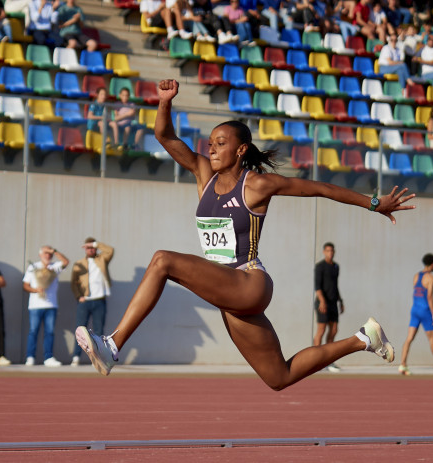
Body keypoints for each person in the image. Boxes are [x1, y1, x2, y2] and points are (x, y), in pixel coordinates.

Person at [75, 79, 415, 388]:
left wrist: (375, 203)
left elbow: (320, 188)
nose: (212, 149)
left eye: (221, 143)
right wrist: (164, 102)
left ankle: (112, 344)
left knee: (163, 261)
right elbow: (165, 137)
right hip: (227, 290)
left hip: (248, 282)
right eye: (210, 143)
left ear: (240, 150)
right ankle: (364, 338)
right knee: (278, 376)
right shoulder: (203, 174)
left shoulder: (256, 185)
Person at [399, 254, 433, 376]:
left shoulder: (416, 276)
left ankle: (402, 364)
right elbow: (429, 296)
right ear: (432, 264)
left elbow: (419, 295)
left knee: (409, 339)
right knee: (432, 340)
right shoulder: (431, 278)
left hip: (414, 310)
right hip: (425, 312)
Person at [70, 238, 114, 367]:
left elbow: (110, 250)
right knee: (80, 330)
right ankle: (76, 356)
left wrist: (96, 244)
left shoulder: (102, 260)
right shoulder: (79, 263)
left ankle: (98, 358)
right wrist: (79, 296)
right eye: (88, 247)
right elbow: (74, 282)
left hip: (99, 300)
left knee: (99, 331)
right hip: (84, 302)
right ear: (85, 249)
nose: (91, 249)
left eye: (93, 247)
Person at [22, 245, 68, 367]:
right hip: (35, 306)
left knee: (50, 332)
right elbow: (25, 285)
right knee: (33, 331)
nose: (48, 255)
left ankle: (48, 357)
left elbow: (65, 262)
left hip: (51, 305)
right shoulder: (33, 267)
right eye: (45, 253)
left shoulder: (55, 267)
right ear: (40, 254)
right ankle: (30, 357)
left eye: (50, 254)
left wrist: (55, 251)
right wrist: (35, 290)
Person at [313, 242, 344, 372]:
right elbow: (317, 287)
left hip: (333, 303)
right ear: (324, 252)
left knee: (334, 330)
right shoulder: (320, 267)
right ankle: (315, 361)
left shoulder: (336, 267)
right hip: (322, 303)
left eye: (332, 251)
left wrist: (340, 301)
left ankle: (328, 361)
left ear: (334, 252)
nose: (330, 253)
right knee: (321, 330)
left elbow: (335, 286)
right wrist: (322, 301)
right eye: (327, 251)